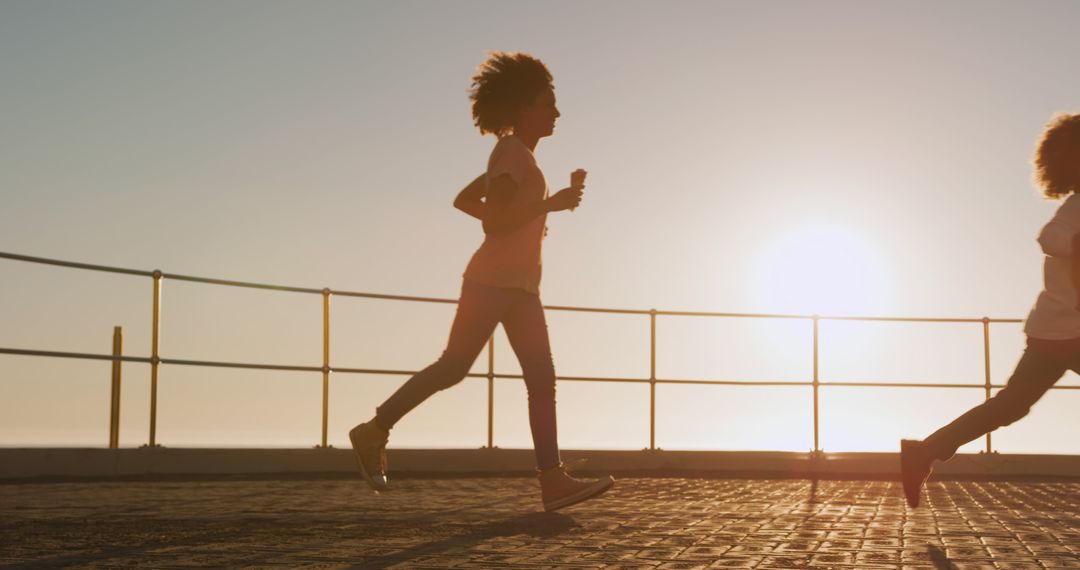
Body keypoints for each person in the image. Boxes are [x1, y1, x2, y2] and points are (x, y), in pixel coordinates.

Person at [349, 51, 614, 512]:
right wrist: (548, 207)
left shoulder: (518, 157)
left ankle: (551, 482)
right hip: (492, 285)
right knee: (458, 368)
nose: (557, 112)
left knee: (532, 378)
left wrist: (547, 204)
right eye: (548, 103)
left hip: (518, 288)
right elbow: (495, 224)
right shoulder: (513, 152)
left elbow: (467, 198)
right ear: (523, 107)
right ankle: (373, 430)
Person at [900, 112, 1080, 508]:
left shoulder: (1070, 209)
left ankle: (923, 451)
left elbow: (1056, 242)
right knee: (1011, 404)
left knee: (1011, 405)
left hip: (1049, 331)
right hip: (1071, 332)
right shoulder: (1076, 212)